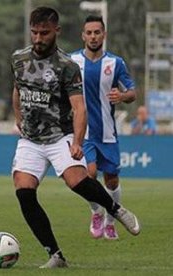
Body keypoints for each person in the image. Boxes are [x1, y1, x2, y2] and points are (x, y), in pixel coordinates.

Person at [11, 7, 140, 268]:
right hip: (31, 140)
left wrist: (78, 141)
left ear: (56, 31)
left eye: (44, 33)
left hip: (60, 135)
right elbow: (17, 89)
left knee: (77, 181)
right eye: (34, 32)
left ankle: (115, 210)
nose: (38, 38)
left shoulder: (67, 65)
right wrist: (18, 117)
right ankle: (55, 255)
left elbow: (79, 107)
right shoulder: (18, 58)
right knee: (24, 192)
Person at [70, 15, 136, 240]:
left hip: (108, 133)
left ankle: (110, 220)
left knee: (112, 180)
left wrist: (123, 95)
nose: (93, 36)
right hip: (83, 132)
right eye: (89, 32)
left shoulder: (115, 63)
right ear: (83, 35)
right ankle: (96, 211)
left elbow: (132, 92)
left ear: (104, 34)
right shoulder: (72, 61)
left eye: (97, 32)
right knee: (88, 174)